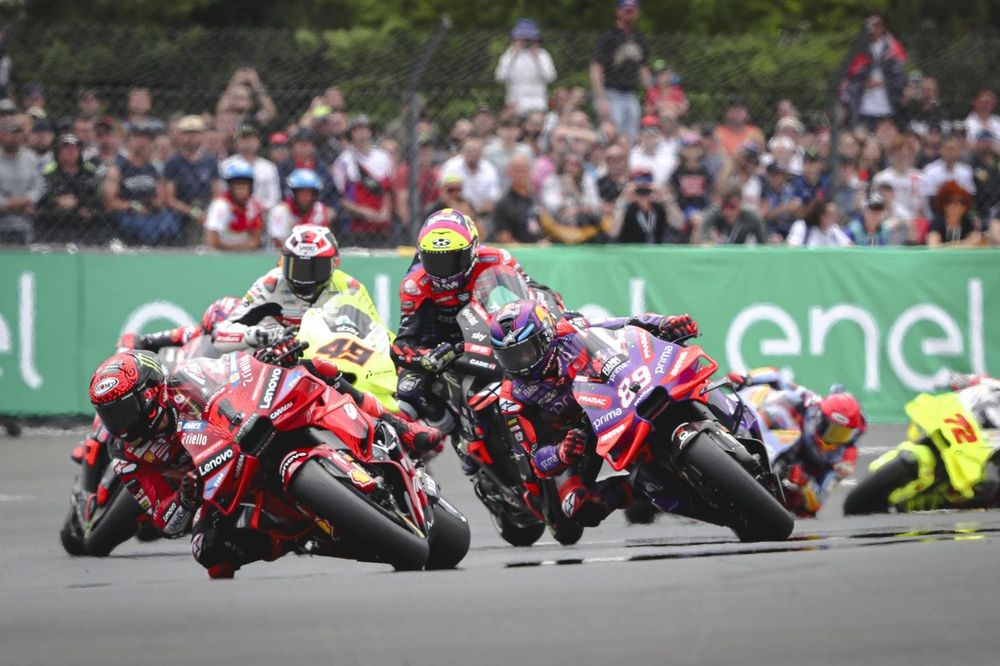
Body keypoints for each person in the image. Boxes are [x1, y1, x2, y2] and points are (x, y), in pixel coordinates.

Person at [88, 348, 441, 579]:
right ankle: (295, 539)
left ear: (151, 393)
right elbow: (166, 520)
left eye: (123, 410)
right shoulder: (127, 455)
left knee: (311, 367)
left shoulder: (185, 379)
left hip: (245, 437)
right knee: (209, 554)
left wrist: (265, 358)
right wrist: (185, 497)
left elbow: (235, 369)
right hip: (220, 488)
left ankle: (401, 430)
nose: (118, 424)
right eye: (109, 415)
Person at [489, 299, 698, 526]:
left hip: (615, 397)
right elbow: (536, 460)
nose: (521, 364)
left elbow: (624, 324)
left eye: (525, 352)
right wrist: (561, 452)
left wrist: (665, 323)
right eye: (511, 356)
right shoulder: (512, 397)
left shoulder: (569, 328)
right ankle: (639, 488)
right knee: (577, 508)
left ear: (546, 336)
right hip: (579, 436)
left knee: (680, 367)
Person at [390, 209, 557, 424]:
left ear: (473, 249)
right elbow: (402, 343)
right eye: (435, 260)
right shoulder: (414, 284)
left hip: (490, 337)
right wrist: (427, 357)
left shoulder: (497, 258)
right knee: (408, 393)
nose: (444, 271)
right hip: (443, 348)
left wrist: (554, 312)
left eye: (453, 258)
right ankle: (441, 431)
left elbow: (538, 293)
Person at [214, 224, 379, 351]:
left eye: (314, 268)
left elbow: (379, 336)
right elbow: (221, 335)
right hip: (274, 363)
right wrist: (257, 335)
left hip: (330, 366)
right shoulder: (271, 284)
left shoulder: (350, 288)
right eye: (296, 267)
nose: (304, 277)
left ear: (333, 264)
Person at [726, 367, 866, 517]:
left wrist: (804, 482)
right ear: (821, 418)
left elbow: (817, 503)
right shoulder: (811, 402)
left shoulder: (845, 459)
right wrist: (747, 378)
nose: (836, 439)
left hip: (796, 475)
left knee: (803, 512)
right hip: (783, 439)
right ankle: (735, 422)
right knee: (776, 407)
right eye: (833, 430)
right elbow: (777, 377)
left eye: (844, 434)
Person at [103, 123, 180, 246]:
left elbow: (161, 197)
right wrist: (134, 205)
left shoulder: (152, 168)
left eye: (146, 139)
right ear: (129, 141)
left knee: (170, 222)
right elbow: (110, 202)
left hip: (151, 212)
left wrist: (154, 203)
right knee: (144, 228)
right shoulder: (117, 168)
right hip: (128, 212)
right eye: (138, 138)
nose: (142, 142)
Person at [590, 0, 651, 142]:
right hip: (611, 93)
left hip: (630, 94)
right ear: (618, 11)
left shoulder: (639, 38)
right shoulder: (609, 36)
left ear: (638, 12)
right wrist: (601, 98)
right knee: (611, 135)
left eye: (632, 10)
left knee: (631, 137)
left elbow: (643, 68)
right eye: (626, 9)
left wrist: (651, 96)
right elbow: (596, 67)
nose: (629, 12)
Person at [331, 114, 394, 246]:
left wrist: (385, 212)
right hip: (355, 227)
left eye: (365, 129)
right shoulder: (343, 161)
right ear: (351, 134)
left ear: (371, 131)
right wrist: (365, 213)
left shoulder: (383, 157)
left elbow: (388, 190)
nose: (362, 134)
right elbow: (340, 198)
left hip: (381, 226)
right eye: (357, 130)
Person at [844, 11, 907, 129]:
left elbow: (900, 76)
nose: (873, 29)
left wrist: (880, 83)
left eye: (877, 25)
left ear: (883, 27)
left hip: (889, 108)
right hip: (864, 109)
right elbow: (851, 75)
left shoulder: (893, 47)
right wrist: (863, 83)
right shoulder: (859, 48)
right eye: (870, 25)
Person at [37, 133, 102, 243]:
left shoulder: (89, 171)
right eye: (66, 148)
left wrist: (77, 202)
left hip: (85, 221)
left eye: (74, 148)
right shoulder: (48, 171)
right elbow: (41, 195)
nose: (70, 151)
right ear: (58, 151)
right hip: (53, 221)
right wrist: (57, 200)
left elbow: (98, 196)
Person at [163, 115, 221, 237]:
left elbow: (217, 193)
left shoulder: (210, 161)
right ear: (179, 136)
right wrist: (193, 212)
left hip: (206, 208)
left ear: (202, 135)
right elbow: (169, 199)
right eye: (186, 133)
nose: (191, 137)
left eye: (195, 133)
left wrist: (210, 212)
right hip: (180, 211)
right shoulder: (173, 163)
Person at [494, 19, 557, 115]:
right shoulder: (509, 54)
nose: (526, 42)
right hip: (515, 103)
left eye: (529, 39)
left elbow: (551, 77)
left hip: (538, 103)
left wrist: (537, 58)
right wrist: (513, 56)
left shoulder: (543, 55)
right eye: (522, 39)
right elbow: (500, 77)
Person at [0, 114, 43, 244]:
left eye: (18, 133)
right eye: (10, 133)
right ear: (2, 135)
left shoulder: (30, 157)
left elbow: (39, 186)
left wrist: (25, 200)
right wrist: (20, 204)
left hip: (25, 223)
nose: (15, 137)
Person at [221, 123, 281, 212]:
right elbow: (223, 193)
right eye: (243, 138)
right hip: (233, 213)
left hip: (263, 213)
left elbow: (274, 197)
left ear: (258, 142)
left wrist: (259, 209)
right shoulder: (226, 165)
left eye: (251, 138)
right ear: (236, 143)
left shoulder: (269, 167)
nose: (247, 142)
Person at [267, 168, 334, 248]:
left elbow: (325, 240)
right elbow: (278, 243)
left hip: (314, 255)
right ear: (294, 193)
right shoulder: (280, 211)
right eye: (303, 193)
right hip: (285, 256)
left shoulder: (320, 210)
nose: (307, 198)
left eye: (311, 193)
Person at [440, 137, 502, 223]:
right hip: (453, 213)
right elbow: (444, 195)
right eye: (469, 150)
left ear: (482, 153)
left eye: (475, 151)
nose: (472, 154)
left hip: (482, 215)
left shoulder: (489, 169)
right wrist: (463, 212)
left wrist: (473, 213)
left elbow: (493, 200)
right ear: (463, 152)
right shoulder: (451, 166)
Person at [492, 153, 543, 243]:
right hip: (518, 254)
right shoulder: (503, 203)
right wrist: (531, 249)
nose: (521, 174)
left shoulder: (533, 198)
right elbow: (503, 238)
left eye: (524, 170)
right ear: (509, 172)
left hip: (537, 250)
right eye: (517, 170)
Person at [927, 180, 981, 247]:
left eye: (961, 201)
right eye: (951, 201)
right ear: (943, 204)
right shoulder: (937, 223)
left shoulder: (967, 222)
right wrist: (964, 243)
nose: (957, 205)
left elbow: (975, 242)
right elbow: (933, 246)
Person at [700, 191, 767, 245]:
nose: (728, 212)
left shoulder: (751, 217)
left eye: (732, 207)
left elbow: (764, 244)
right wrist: (710, 241)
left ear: (740, 204)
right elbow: (703, 242)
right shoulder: (713, 214)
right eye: (725, 207)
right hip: (718, 254)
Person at [787, 199, 852, 247]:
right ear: (821, 216)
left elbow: (850, 247)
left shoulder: (834, 230)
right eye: (832, 214)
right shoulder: (801, 227)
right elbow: (792, 248)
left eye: (836, 213)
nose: (836, 217)